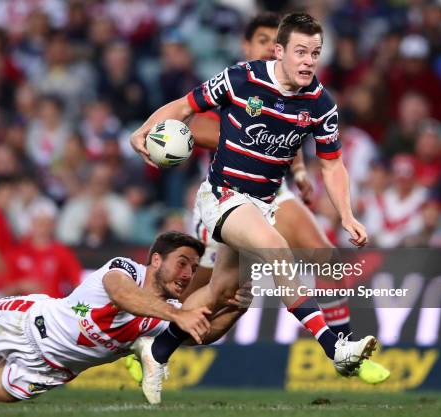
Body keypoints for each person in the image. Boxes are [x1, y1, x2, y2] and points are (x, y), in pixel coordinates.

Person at [126, 11, 389, 387]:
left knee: (224, 296)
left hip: (265, 203)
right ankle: (337, 347)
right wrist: (143, 131)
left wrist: (346, 214)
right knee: (278, 248)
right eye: (300, 52)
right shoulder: (239, 79)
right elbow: (185, 107)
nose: (308, 61)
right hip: (222, 196)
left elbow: (332, 166)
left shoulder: (320, 103)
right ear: (279, 52)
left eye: (315, 53)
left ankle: (155, 349)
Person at [0, 232, 248, 403]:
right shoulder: (125, 270)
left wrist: (236, 308)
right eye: (182, 263)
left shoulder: (164, 316)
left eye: (192, 267)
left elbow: (206, 332)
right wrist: (176, 314)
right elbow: (121, 294)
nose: (187, 274)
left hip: (49, 371)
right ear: (156, 260)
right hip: (26, 326)